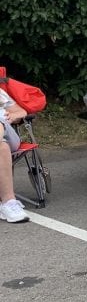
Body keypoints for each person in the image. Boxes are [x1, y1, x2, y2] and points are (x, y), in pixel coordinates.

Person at [1, 87, 29, 222]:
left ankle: (9, 204)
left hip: (6, 132)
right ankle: (8, 202)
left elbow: (22, 112)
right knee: (1, 147)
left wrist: (13, 116)